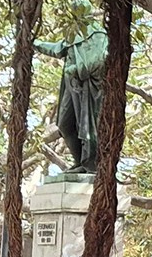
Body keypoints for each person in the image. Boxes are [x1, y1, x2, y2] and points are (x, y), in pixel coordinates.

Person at [33, 24, 109, 177]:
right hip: (71, 85)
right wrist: (34, 43)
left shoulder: (98, 34)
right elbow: (57, 49)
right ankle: (79, 162)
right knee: (64, 125)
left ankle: (90, 164)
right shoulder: (74, 33)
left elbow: (99, 60)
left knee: (87, 127)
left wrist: (76, 69)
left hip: (87, 88)